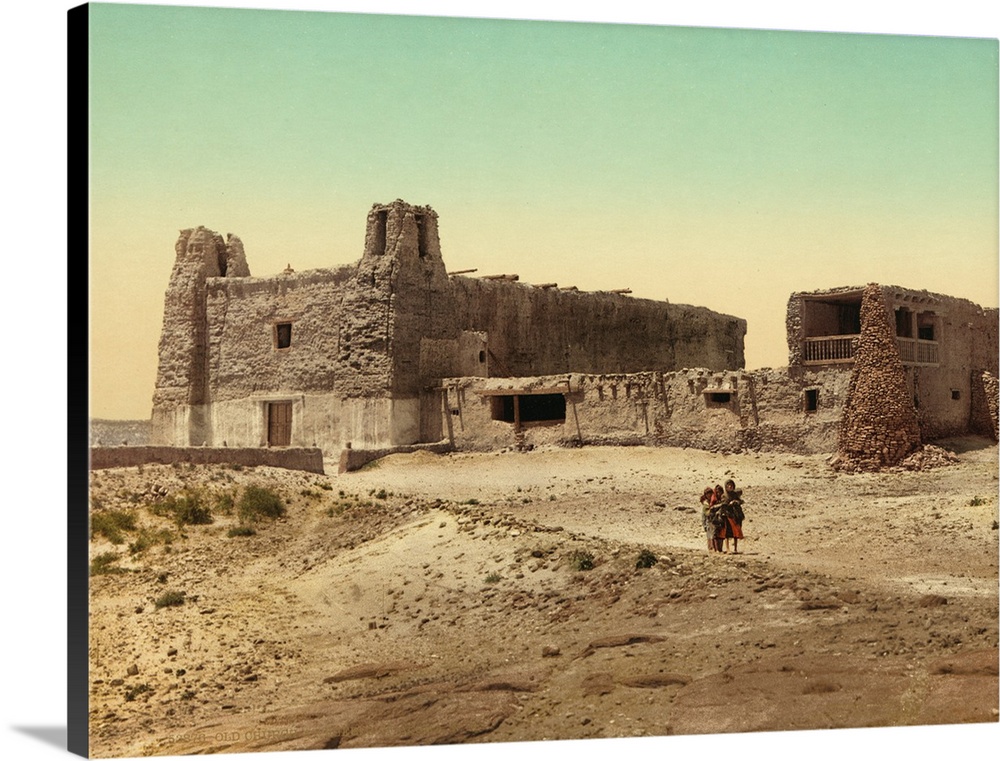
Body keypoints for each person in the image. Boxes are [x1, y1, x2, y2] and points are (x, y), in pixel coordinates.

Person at [719, 478, 745, 553]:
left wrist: (735, 502)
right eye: (728, 485)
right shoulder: (724, 495)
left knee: (735, 532)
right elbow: (723, 504)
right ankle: (728, 549)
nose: (730, 487)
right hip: (727, 515)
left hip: (735, 515)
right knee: (727, 533)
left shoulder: (735, 494)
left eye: (731, 485)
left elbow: (740, 501)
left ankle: (735, 549)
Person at [698, 487, 716, 551]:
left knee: (714, 536)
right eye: (708, 494)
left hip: (714, 521)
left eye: (710, 494)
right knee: (709, 536)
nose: (709, 495)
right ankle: (710, 548)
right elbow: (704, 516)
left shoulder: (714, 502)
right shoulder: (705, 505)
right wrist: (704, 525)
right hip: (708, 522)